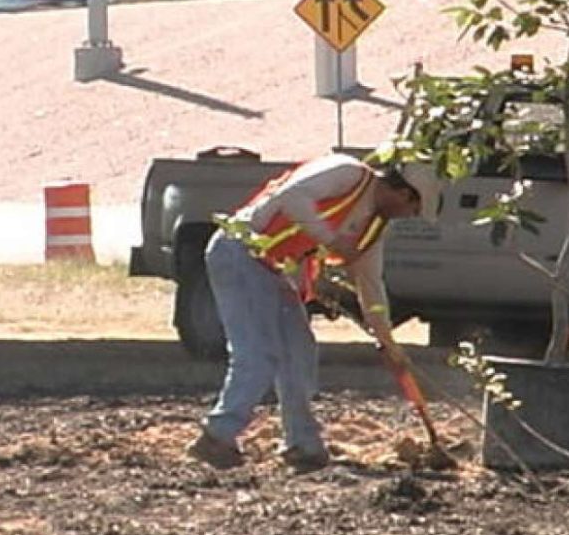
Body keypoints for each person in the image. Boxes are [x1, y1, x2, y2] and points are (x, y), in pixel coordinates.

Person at [186, 153, 443, 471]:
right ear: (405, 193)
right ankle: (216, 436)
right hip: (240, 252)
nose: (408, 216)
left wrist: (386, 340)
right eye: (413, 209)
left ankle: (302, 444)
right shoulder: (346, 173)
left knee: (299, 352)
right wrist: (332, 241)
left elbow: (370, 286)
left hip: (271, 269)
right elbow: (291, 198)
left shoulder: (371, 228)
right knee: (258, 353)